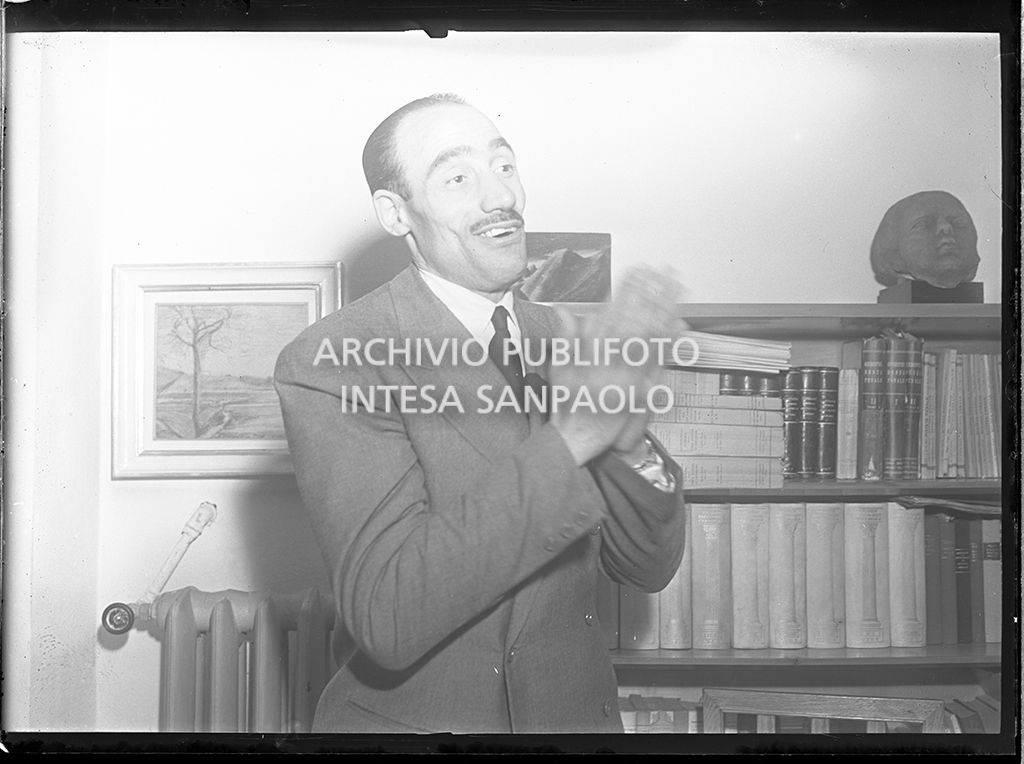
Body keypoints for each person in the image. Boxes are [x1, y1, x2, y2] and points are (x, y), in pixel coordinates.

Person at [274, 93, 686, 734]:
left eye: (505, 166)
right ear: (395, 213)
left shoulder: (572, 340)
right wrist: (577, 434)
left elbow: (646, 567)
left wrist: (625, 431)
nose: (501, 198)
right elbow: (389, 616)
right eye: (458, 177)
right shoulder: (333, 361)